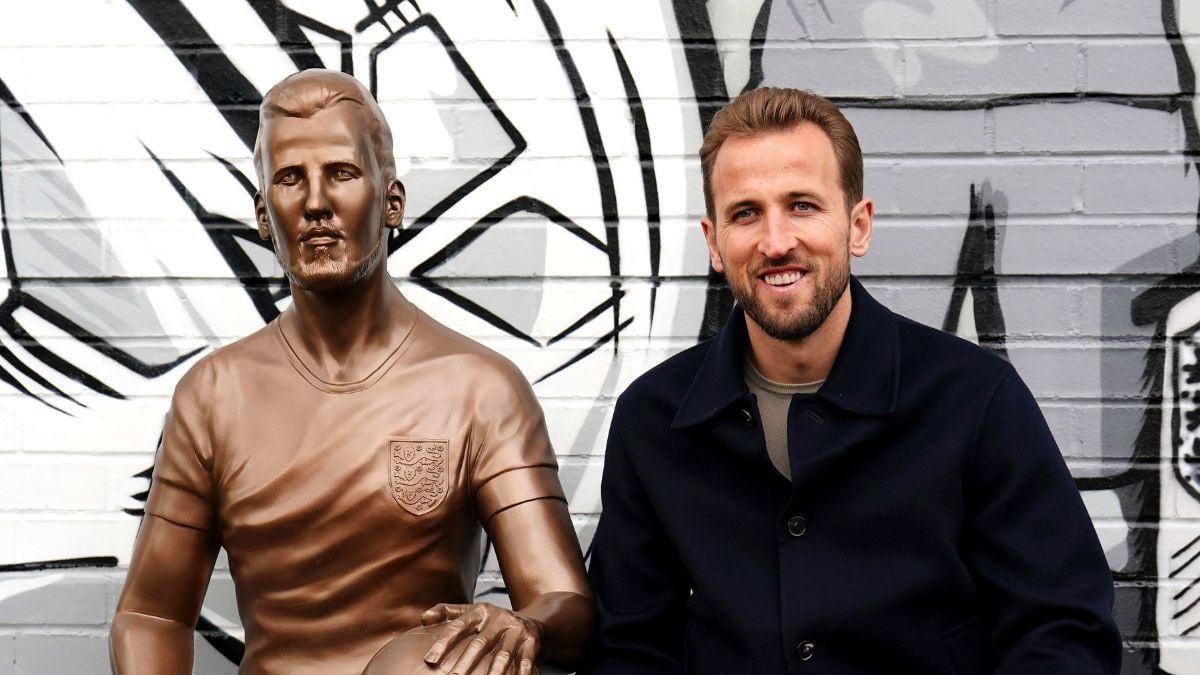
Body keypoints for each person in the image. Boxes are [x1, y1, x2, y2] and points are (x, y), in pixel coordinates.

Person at [581, 87, 1121, 673]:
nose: (776, 241)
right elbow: (629, 648)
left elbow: (1064, 631)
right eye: (746, 213)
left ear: (857, 226)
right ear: (714, 243)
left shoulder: (974, 399)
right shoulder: (655, 418)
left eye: (803, 206)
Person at [109, 69, 594, 675]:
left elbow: (567, 605)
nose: (316, 203)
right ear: (264, 216)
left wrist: (521, 627)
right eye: (290, 179)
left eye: (341, 173)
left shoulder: (479, 389)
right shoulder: (214, 396)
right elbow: (152, 615)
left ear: (392, 202)